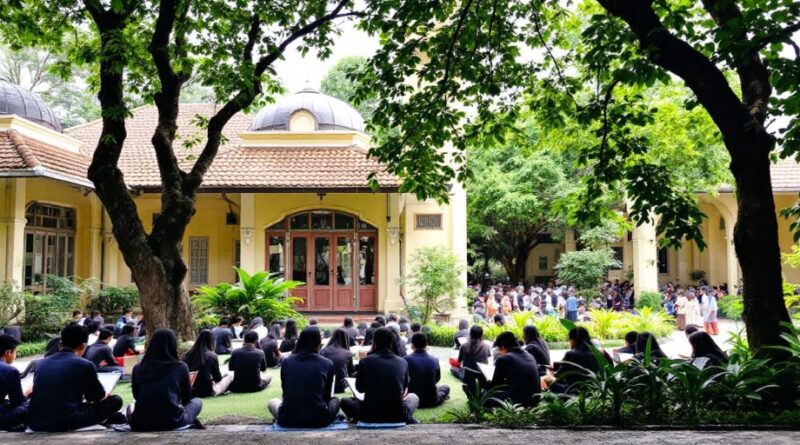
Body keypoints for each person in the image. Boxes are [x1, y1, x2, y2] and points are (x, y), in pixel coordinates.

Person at [28, 324, 124, 432]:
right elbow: (94, 397)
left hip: (36, 420)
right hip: (66, 420)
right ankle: (104, 418)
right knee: (116, 400)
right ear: (83, 346)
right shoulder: (85, 364)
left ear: (60, 344)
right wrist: (104, 395)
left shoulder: (41, 363)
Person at [129, 328, 203, 431]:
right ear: (173, 344)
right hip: (172, 421)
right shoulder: (180, 367)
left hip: (140, 422)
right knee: (197, 402)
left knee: (131, 406)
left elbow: (136, 395)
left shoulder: (138, 368)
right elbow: (187, 397)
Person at [340, 327, 418, 424]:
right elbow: (404, 390)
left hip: (369, 414)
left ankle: (356, 418)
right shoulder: (402, 362)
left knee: (344, 401)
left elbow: (360, 389)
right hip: (397, 414)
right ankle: (407, 418)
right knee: (413, 397)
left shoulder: (365, 361)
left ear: (374, 342)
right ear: (391, 342)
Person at [268, 327, 341, 428]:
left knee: (273, 402)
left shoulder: (287, 362)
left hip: (288, 419)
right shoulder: (327, 363)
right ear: (319, 342)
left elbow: (285, 391)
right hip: (319, 419)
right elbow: (327, 396)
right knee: (336, 400)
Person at [488, 332, 539, 407]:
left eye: (499, 350)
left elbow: (495, 385)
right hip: (533, 400)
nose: (499, 353)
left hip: (516, 402)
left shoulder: (504, 359)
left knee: (486, 396)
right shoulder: (529, 355)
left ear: (502, 347)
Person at [549, 327, 604, 394]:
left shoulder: (571, 353)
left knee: (550, 383)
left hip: (574, 392)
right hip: (593, 391)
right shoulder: (598, 353)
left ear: (573, 340)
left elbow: (559, 375)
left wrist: (549, 375)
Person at [183, 330, 233, 398]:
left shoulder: (187, 355)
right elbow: (217, 378)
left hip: (190, 391)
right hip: (207, 392)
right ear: (212, 341)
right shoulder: (212, 355)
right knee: (230, 375)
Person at [405, 333, 450, 408]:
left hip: (412, 399)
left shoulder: (405, 359)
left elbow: (404, 381)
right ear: (426, 344)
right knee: (446, 387)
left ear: (412, 345)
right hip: (431, 400)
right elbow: (437, 379)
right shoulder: (435, 359)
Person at [0, 335, 28, 431]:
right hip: (1, 418)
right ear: (8, 352)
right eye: (15, 352)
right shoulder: (10, 370)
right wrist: (27, 393)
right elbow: (17, 400)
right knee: (28, 405)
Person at [320, 328, 355, 394]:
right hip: (340, 386)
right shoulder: (347, 353)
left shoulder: (323, 351)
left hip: (324, 384)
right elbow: (351, 371)